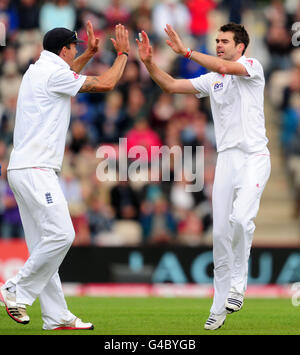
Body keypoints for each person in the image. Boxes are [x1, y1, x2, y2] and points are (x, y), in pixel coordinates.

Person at [136, 23, 271, 330]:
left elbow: (224, 65)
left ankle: (239, 285)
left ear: (241, 46)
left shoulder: (252, 66)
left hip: (254, 157)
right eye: (217, 40)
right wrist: (148, 63)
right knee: (220, 236)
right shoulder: (214, 81)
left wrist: (186, 51)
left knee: (240, 219)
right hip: (226, 160)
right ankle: (218, 306)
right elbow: (171, 86)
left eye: (225, 41)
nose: (219, 44)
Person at [0, 21, 130, 330]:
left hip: (22, 168)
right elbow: (106, 84)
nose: (77, 51)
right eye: (75, 47)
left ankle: (56, 315)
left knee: (44, 247)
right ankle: (14, 288)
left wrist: (87, 54)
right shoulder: (54, 74)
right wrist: (122, 53)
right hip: (37, 169)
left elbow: (67, 73)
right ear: (64, 49)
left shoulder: (36, 69)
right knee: (62, 235)